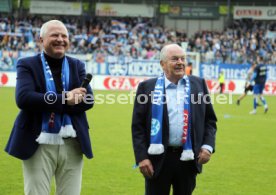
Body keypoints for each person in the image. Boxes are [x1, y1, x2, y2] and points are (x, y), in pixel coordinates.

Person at [5, 20, 94, 195]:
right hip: (37, 141)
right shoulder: (27, 64)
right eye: (54, 35)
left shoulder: (77, 65)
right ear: (41, 40)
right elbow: (24, 99)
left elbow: (88, 100)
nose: (60, 39)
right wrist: (65, 99)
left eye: (64, 36)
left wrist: (46, 102)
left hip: (72, 142)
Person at [131, 44, 217, 195]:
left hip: (189, 159)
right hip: (157, 160)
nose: (180, 62)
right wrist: (142, 157)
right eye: (174, 59)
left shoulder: (198, 85)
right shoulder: (147, 88)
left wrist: (207, 146)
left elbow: (210, 120)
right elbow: (137, 126)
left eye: (183, 58)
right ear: (162, 64)